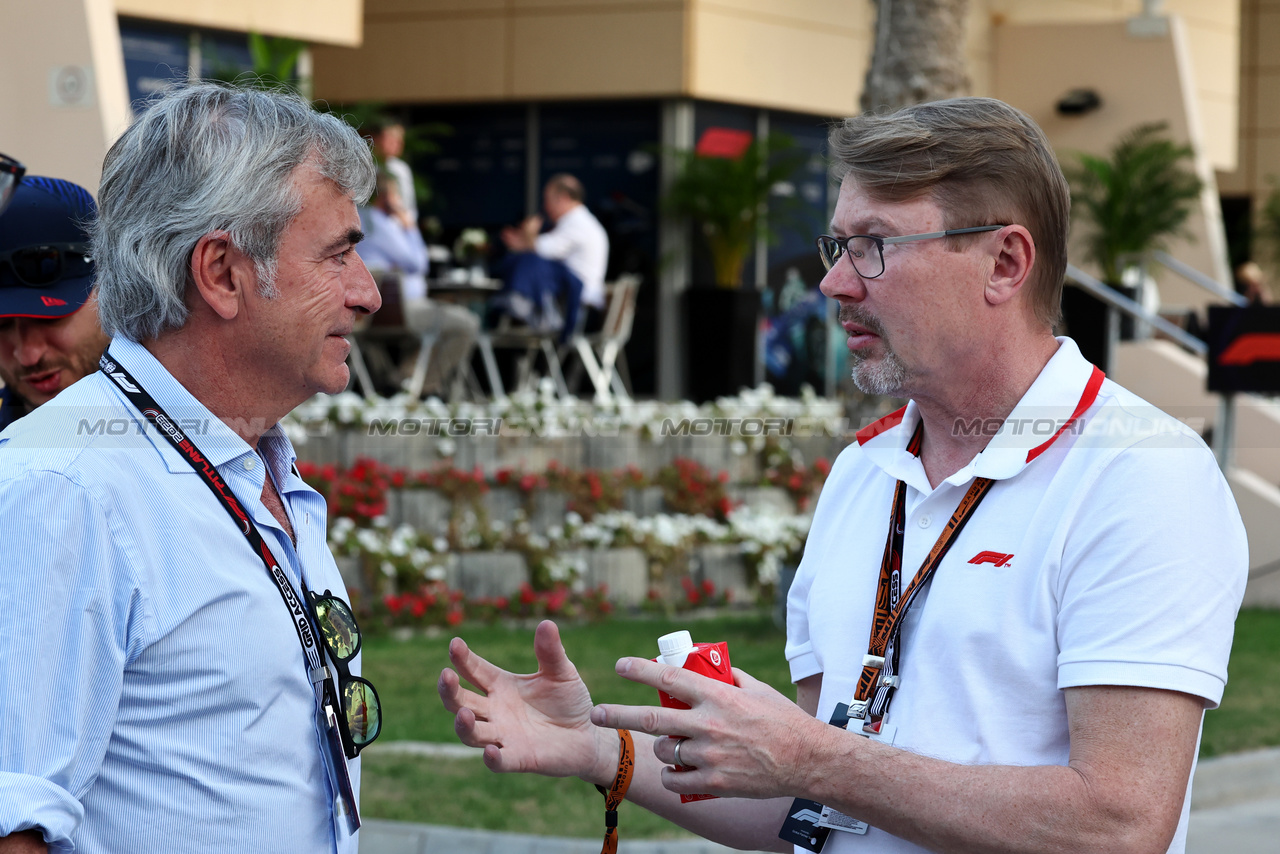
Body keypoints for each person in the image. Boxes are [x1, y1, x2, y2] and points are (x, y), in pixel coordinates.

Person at [438, 97, 1247, 854]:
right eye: (839, 245)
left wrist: (815, 758)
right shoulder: (866, 471)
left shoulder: (1140, 475)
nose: (834, 282)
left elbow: (1119, 823)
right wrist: (594, 748)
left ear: (1005, 263)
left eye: (877, 246)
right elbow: (803, 801)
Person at [0, 82, 384, 854]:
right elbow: (14, 823)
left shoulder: (253, 459)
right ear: (221, 273)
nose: (367, 292)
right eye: (337, 253)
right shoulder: (64, 486)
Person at [0, 177, 111, 431]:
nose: (28, 355)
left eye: (49, 317)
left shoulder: (195, 413)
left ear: (110, 291)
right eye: (2, 326)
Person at [357, 170, 478, 398]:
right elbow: (418, 263)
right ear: (388, 196)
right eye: (397, 195)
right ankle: (425, 388)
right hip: (397, 310)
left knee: (438, 328)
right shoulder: (379, 223)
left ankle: (400, 380)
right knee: (467, 324)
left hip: (370, 312)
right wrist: (410, 227)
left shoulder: (360, 219)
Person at [502, 173, 609, 317]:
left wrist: (528, 234)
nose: (545, 207)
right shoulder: (578, 221)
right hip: (572, 299)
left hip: (576, 305)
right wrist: (525, 242)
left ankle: (514, 305)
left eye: (547, 200)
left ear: (563, 197)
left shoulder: (578, 222)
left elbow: (541, 250)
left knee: (530, 263)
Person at [368, 117, 417, 224]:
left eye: (400, 140)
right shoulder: (365, 165)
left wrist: (407, 220)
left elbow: (409, 204)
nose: (397, 144)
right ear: (376, 139)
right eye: (391, 139)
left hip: (400, 224)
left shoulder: (401, 168)